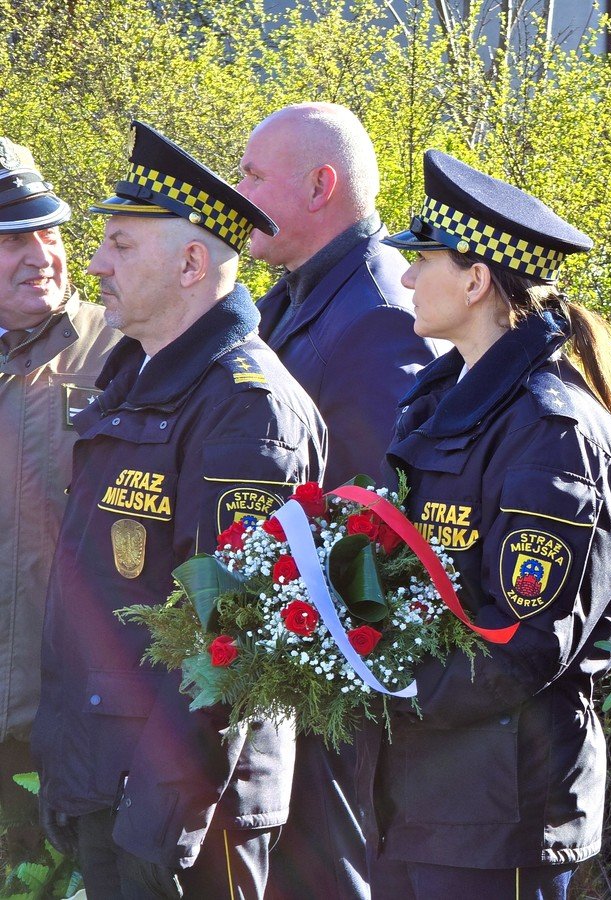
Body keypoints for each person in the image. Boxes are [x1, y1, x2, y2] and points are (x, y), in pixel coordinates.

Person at [31, 121, 327, 899]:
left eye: (122, 246)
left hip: (184, 817)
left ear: (192, 262)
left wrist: (158, 819)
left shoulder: (246, 411)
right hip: (111, 783)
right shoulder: (137, 382)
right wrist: (72, 771)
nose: (94, 264)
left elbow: (232, 639)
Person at [359, 149, 611, 899]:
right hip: (426, 794)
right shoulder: (447, 402)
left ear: (477, 278)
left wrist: (381, 684)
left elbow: (525, 646)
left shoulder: (553, 432)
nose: (407, 277)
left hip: (499, 812)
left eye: (422, 259)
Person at [237, 102, 440, 900]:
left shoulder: (378, 317)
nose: (239, 189)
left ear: (321, 186)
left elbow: (375, 534)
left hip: (336, 694)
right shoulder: (298, 295)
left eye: (255, 174)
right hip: (294, 668)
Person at [0, 139, 120, 858]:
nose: (41, 252)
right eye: (12, 237)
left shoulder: (125, 350)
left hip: (78, 725)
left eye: (48, 229)